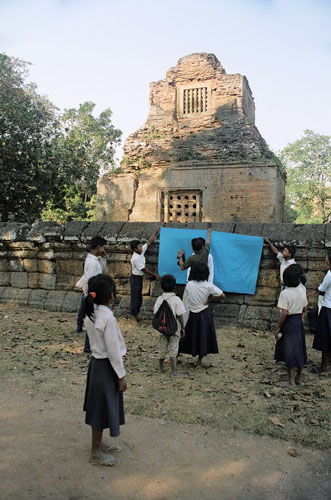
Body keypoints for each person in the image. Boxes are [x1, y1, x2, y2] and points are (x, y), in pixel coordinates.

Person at [83, 274, 127, 466]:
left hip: (96, 365)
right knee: (100, 409)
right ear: (111, 296)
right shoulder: (107, 318)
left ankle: (99, 444)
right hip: (105, 367)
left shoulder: (91, 313)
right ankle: (95, 453)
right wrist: (121, 375)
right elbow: (113, 351)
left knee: (100, 406)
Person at [179, 262, 225, 369]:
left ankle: (176, 355)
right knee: (202, 337)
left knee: (186, 335)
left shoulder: (189, 284)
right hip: (204, 314)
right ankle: (199, 363)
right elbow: (222, 295)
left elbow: (186, 298)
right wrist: (210, 300)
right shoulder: (208, 286)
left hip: (192, 314)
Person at [274, 265, 308, 386]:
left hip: (289, 322)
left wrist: (278, 327)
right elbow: (305, 307)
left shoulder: (285, 293)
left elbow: (283, 312)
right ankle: (298, 377)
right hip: (298, 321)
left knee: (289, 350)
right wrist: (302, 318)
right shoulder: (302, 291)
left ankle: (290, 379)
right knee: (300, 349)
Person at [76, 236, 107, 352]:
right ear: (98, 247)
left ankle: (90, 345)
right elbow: (90, 280)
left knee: (93, 320)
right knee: (93, 321)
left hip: (92, 294)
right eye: (102, 247)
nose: (104, 249)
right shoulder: (93, 263)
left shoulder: (94, 261)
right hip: (93, 295)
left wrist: (103, 259)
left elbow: (100, 272)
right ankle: (89, 346)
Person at [153, 274, 186, 376]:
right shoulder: (176, 299)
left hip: (161, 328)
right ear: (174, 286)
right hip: (173, 327)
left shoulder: (159, 299)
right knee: (173, 348)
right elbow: (180, 315)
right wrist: (183, 328)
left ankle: (161, 368)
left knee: (162, 347)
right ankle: (174, 372)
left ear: (161, 286)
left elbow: (155, 313)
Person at [130, 228, 160, 322]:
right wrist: (154, 275)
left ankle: (136, 313)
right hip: (135, 278)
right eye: (139, 247)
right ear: (135, 249)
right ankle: (134, 315)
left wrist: (155, 232)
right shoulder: (135, 258)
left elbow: (149, 242)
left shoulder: (140, 251)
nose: (141, 247)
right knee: (135, 297)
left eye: (140, 246)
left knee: (138, 296)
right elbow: (144, 269)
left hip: (139, 278)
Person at [312, 250, 331, 372]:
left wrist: (318, 287)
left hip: (328, 307)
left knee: (325, 338)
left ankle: (324, 366)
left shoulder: (329, 274)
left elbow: (322, 288)